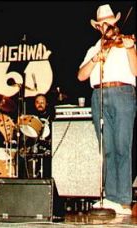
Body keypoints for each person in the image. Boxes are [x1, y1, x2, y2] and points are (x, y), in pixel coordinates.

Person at [77, 4, 137, 215]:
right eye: (102, 24)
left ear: (115, 23)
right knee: (107, 149)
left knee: (122, 146)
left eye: (109, 23)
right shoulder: (94, 48)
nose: (106, 27)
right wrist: (96, 58)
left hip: (122, 93)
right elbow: (81, 76)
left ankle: (124, 200)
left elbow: (135, 70)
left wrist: (130, 48)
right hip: (99, 95)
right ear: (98, 28)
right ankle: (110, 197)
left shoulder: (125, 43)